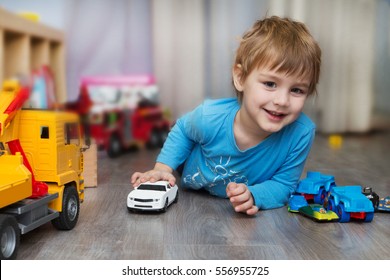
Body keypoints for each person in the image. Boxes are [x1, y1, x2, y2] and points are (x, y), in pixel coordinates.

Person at [131, 16, 322, 215]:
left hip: (235, 191)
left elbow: (284, 184)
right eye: (270, 84)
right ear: (240, 78)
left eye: (297, 90)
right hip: (195, 169)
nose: (282, 101)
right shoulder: (210, 116)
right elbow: (182, 130)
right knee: (188, 135)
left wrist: (254, 195)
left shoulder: (301, 133)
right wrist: (163, 168)